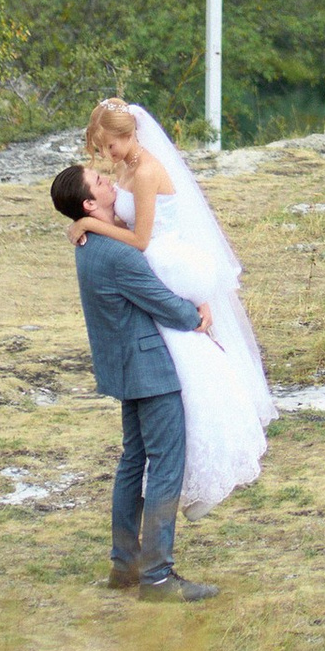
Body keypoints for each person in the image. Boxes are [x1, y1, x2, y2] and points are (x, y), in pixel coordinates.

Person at [81, 97, 274, 514]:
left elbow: (141, 239)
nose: (106, 157)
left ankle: (199, 466)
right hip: (148, 263)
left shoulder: (148, 170)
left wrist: (89, 223)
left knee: (187, 360)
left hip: (161, 261)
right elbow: (124, 221)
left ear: (129, 135)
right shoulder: (125, 166)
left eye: (110, 147)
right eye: (102, 149)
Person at [50, 158, 217, 601]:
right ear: (90, 202)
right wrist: (196, 314)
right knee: (165, 468)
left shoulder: (88, 243)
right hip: (150, 372)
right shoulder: (119, 253)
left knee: (133, 464)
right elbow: (163, 303)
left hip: (124, 368)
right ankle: (158, 577)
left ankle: (124, 565)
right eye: (101, 182)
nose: (110, 182)